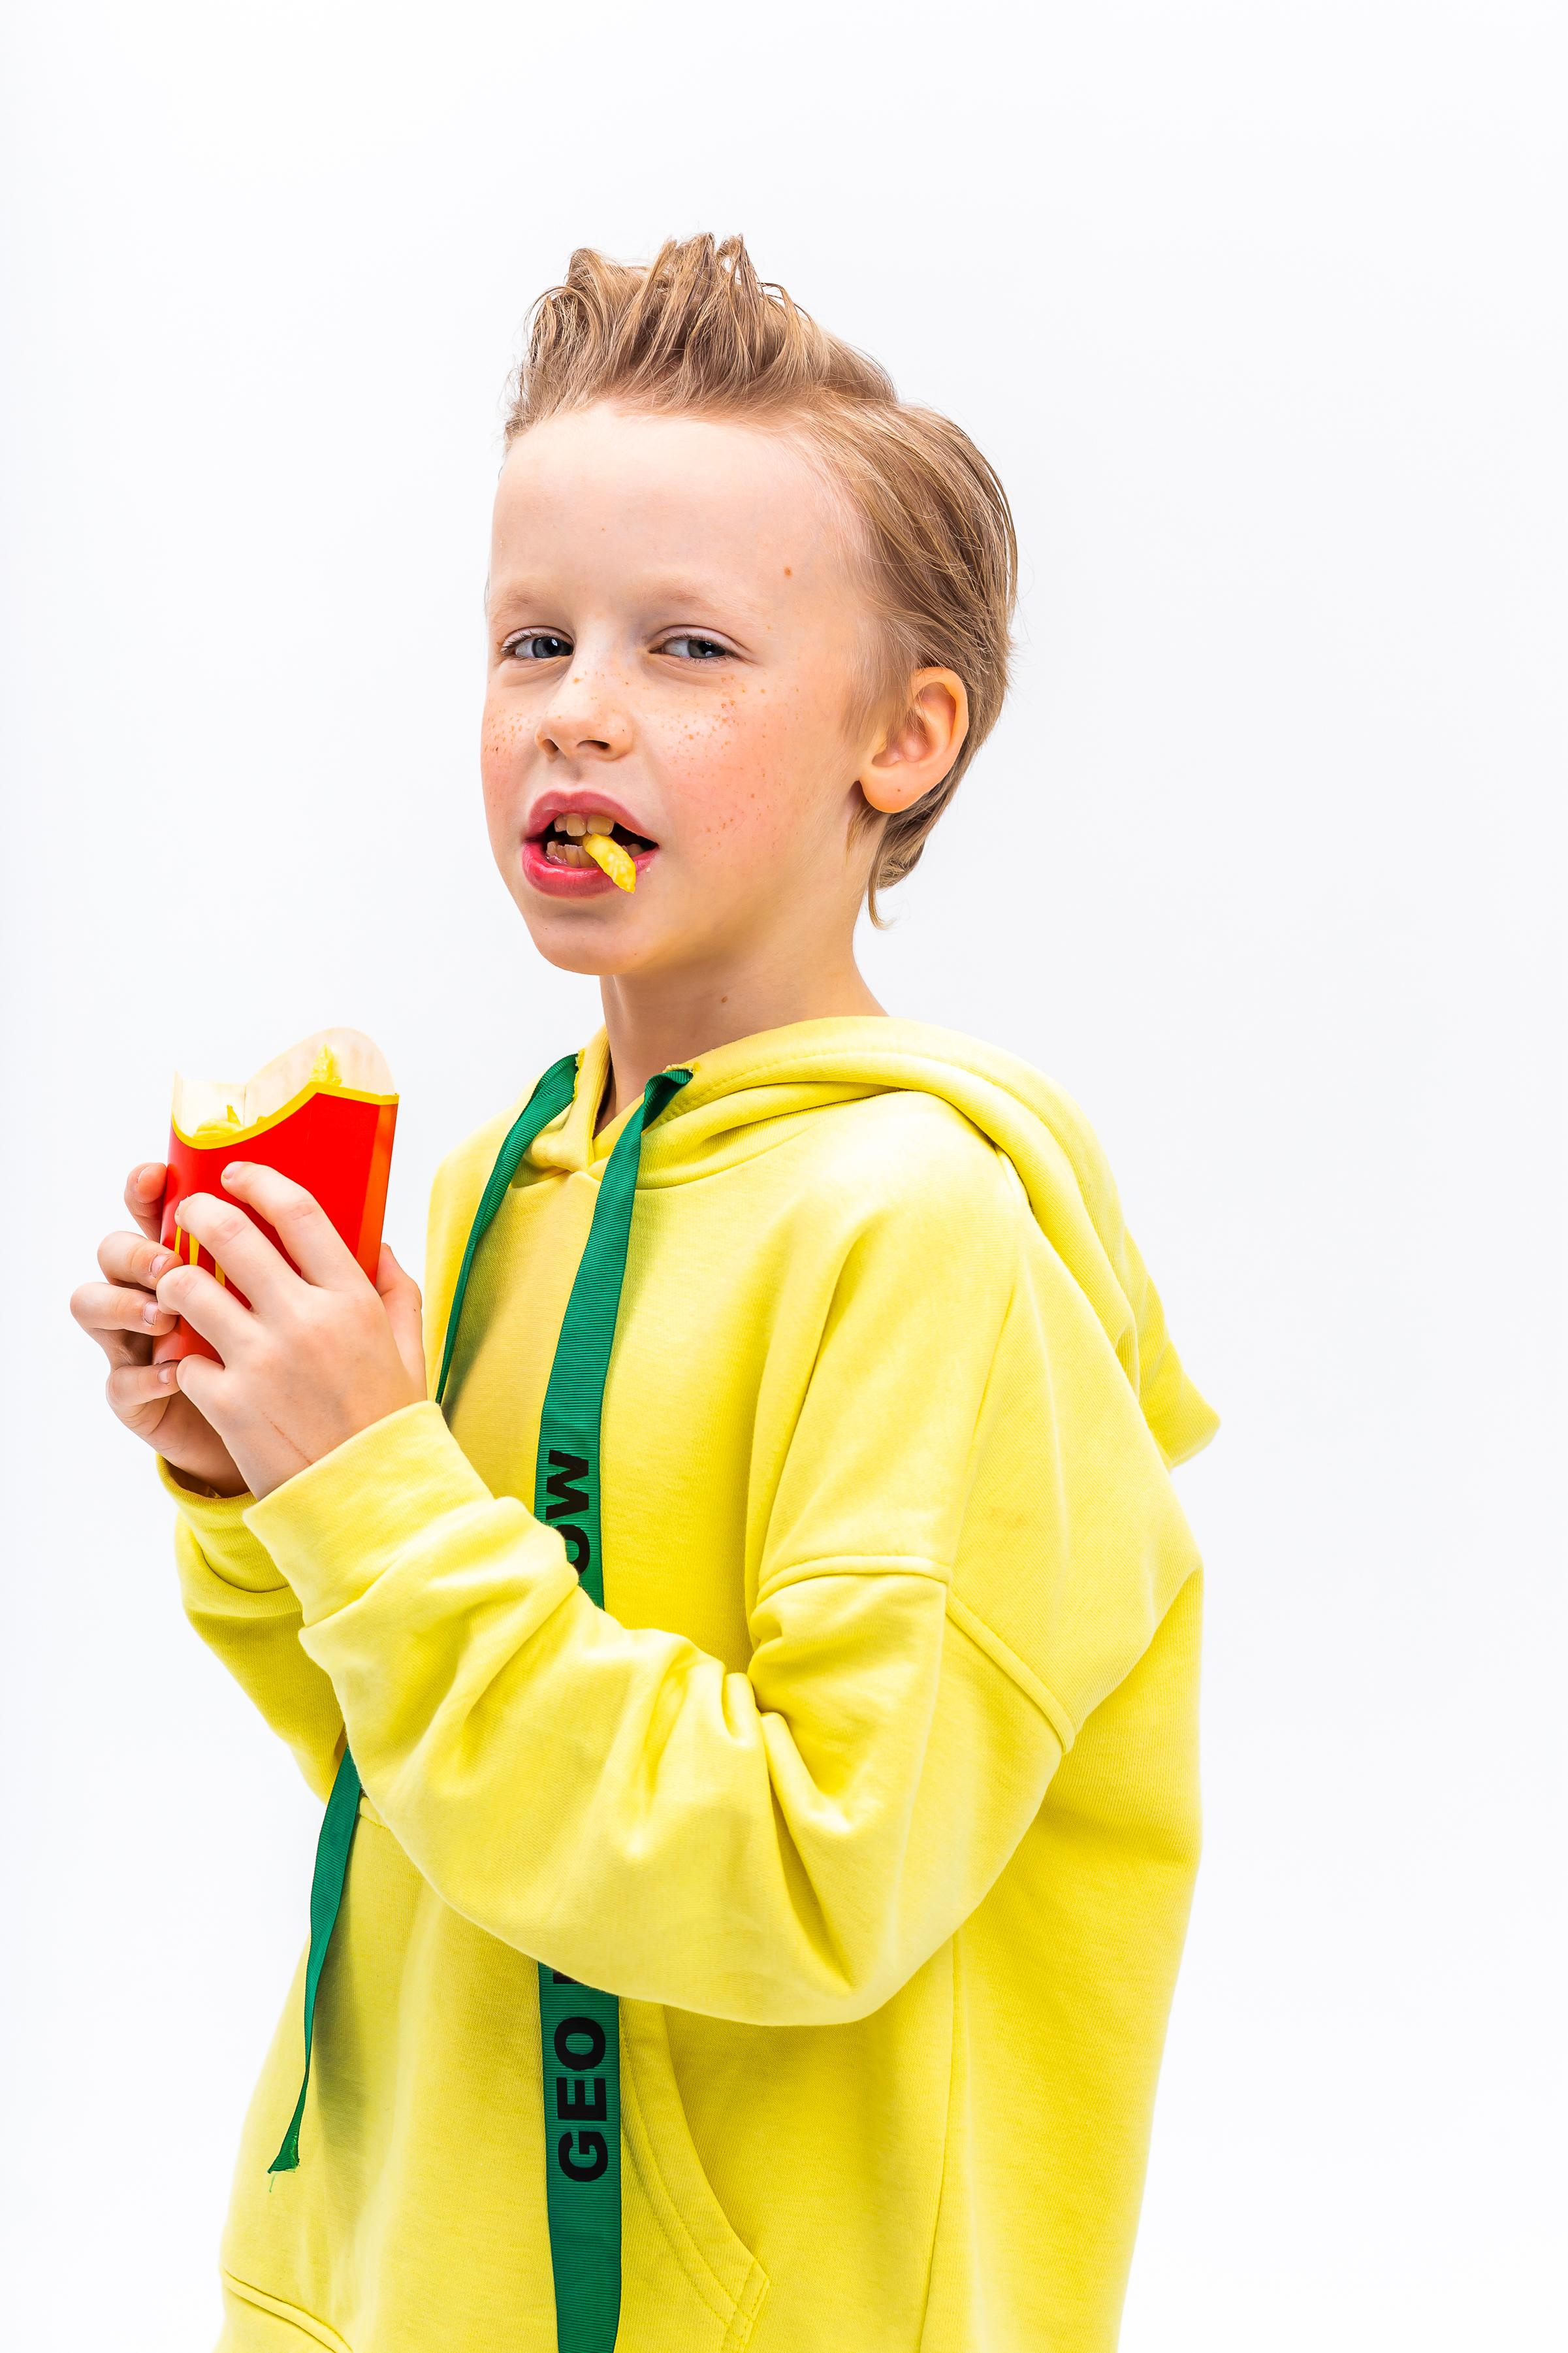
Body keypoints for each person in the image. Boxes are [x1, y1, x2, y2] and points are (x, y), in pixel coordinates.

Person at [71, 236, 1216, 2353]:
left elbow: (805, 1879)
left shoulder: (927, 1239)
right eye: (530, 640)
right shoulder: (523, 1171)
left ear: (906, 736)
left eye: (687, 645)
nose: (575, 707)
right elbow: (431, 1758)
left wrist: (378, 1495)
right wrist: (270, 1488)